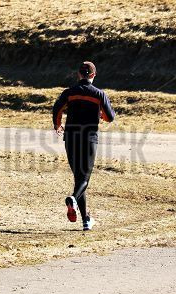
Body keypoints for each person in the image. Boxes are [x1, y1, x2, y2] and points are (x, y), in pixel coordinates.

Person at [52, 61, 115, 231]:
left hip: (71, 138)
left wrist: (57, 125)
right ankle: (72, 199)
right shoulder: (99, 94)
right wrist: (101, 114)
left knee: (79, 179)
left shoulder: (69, 93)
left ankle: (86, 220)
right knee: (84, 179)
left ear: (79, 74)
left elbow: (57, 108)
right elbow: (110, 117)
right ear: (93, 75)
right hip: (89, 138)